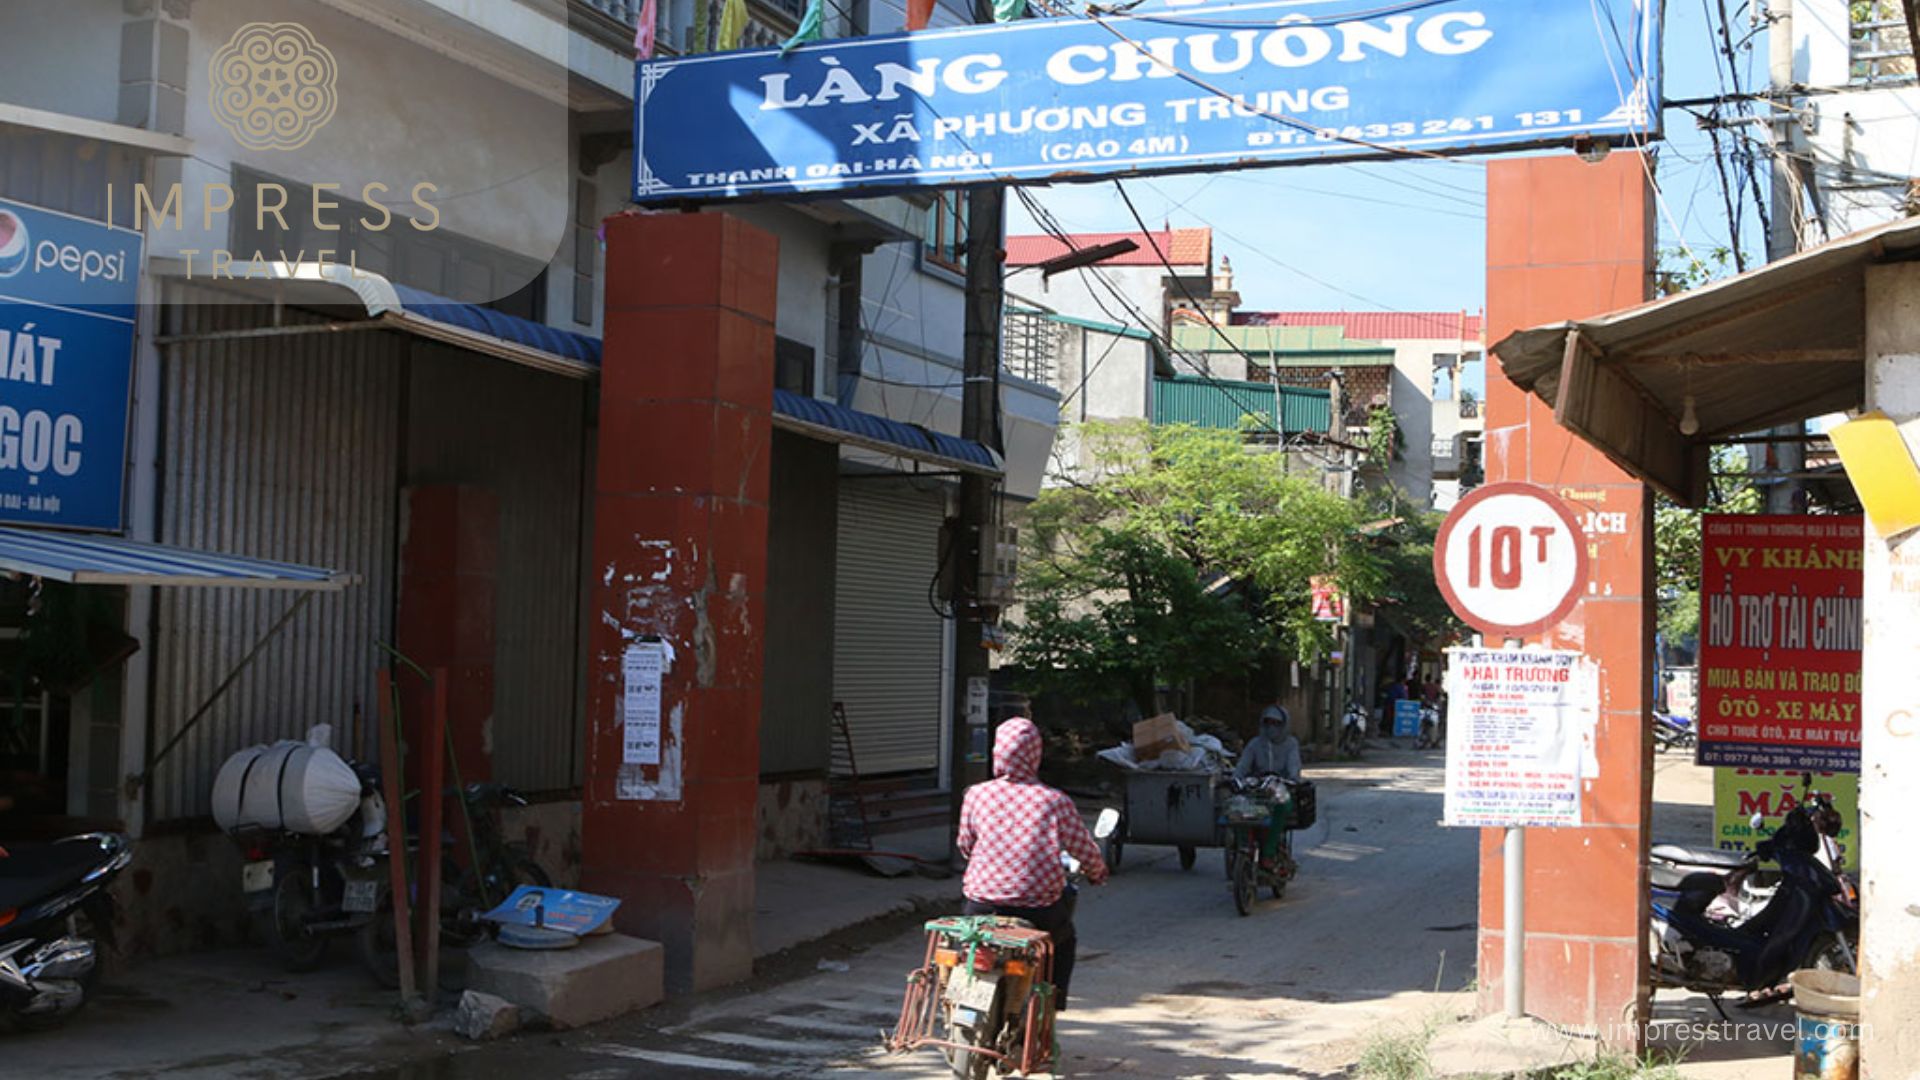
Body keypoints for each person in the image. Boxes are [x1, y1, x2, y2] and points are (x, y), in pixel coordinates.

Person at [955, 717, 1108, 1010]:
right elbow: (1082, 848)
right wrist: (1097, 871)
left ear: (998, 751)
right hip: (1038, 909)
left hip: (982, 905)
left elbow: (965, 845)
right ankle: (1051, 1007)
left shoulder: (976, 795)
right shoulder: (1054, 801)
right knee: (1063, 942)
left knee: (966, 947)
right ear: (1035, 754)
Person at [1235, 705, 1302, 867]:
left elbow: (1294, 768)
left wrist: (1291, 779)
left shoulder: (1291, 744)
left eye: (1276, 723)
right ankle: (1244, 845)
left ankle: (1269, 854)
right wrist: (1237, 778)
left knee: (1281, 808)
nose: (1271, 727)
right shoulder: (1255, 744)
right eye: (1268, 723)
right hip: (1257, 789)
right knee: (1237, 809)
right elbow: (1242, 766)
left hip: (1279, 789)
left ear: (1283, 725)